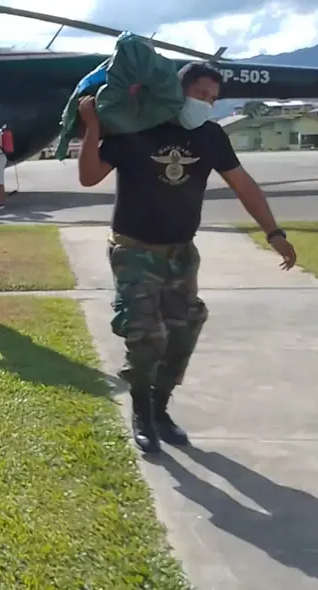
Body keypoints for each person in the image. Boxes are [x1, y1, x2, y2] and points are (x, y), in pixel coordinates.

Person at [77, 61, 298, 454]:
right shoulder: (137, 127)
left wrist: (274, 232)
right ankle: (142, 414)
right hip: (134, 249)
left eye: (213, 98)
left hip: (181, 252)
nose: (207, 104)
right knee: (144, 335)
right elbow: (89, 176)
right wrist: (93, 126)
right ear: (177, 92)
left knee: (182, 332)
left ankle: (159, 408)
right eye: (200, 95)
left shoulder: (210, 136)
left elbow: (243, 184)